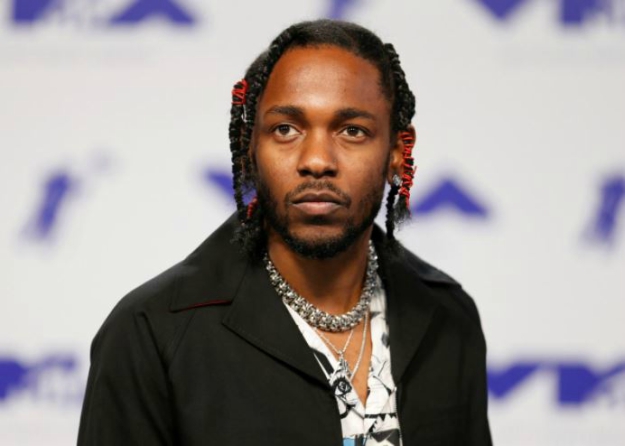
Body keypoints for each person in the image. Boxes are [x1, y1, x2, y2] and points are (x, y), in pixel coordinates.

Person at [77, 19, 492, 446]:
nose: (316, 160)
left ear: (397, 154)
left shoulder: (448, 317)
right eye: (285, 129)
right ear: (250, 150)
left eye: (352, 131)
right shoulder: (152, 333)